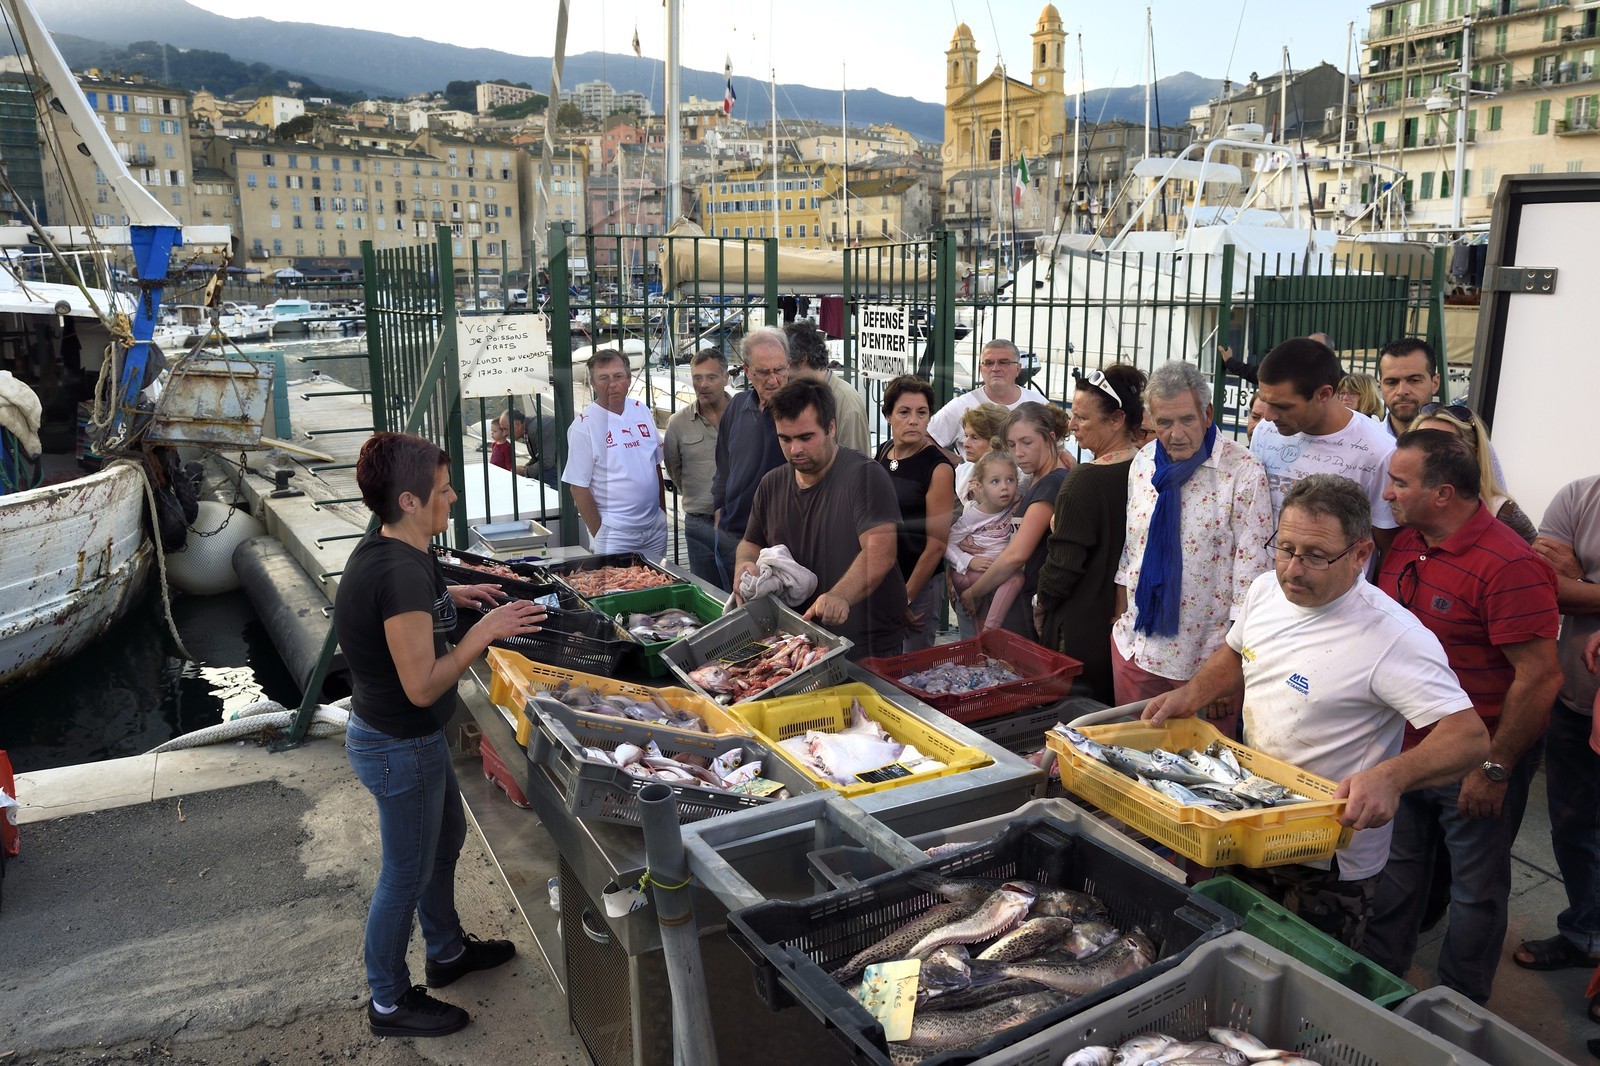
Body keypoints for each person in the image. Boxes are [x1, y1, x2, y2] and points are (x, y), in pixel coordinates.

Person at [1145, 474, 1491, 949]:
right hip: (1247, 816)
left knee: (1299, 977)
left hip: (1327, 852)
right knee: (1224, 947)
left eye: (1315, 555)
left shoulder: (1394, 638)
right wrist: (1192, 694)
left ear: (1360, 555)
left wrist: (1391, 777)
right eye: (1285, 548)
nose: (1293, 569)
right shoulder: (1267, 590)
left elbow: (1469, 736)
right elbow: (1235, 653)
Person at [335, 433, 547, 1037]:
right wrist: (484, 632)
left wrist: (455, 595)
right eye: (444, 490)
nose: (452, 498)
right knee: (404, 872)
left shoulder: (404, 547)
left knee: (444, 840)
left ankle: (448, 951)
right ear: (408, 499)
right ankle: (389, 1001)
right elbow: (423, 685)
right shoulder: (398, 571)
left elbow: (409, 604)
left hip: (408, 744)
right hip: (397, 746)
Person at [1362, 429, 1561, 1003]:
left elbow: (1541, 676)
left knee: (1475, 889)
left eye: (1401, 482)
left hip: (1477, 758)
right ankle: (1377, 986)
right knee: (1398, 873)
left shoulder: (1509, 565)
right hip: (1406, 752)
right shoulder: (1406, 542)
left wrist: (1495, 767)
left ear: (1444, 492)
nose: (1388, 493)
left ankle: (1458, 1008)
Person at [1110, 361, 1273, 728]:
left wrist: (1227, 675)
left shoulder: (1242, 471)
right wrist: (1120, 624)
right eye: (1164, 423)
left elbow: (1252, 580)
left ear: (1207, 413)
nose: (1176, 433)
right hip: (1135, 648)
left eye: (1186, 419)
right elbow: (1132, 550)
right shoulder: (1143, 462)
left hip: (1203, 665)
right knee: (1131, 764)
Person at [735, 379, 906, 659]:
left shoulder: (865, 477)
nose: (795, 450)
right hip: (801, 639)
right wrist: (743, 564)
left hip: (866, 644)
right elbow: (751, 541)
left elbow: (880, 551)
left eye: (806, 437)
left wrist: (840, 595)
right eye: (785, 439)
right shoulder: (771, 483)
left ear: (831, 428)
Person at [1513, 474, 1600, 981]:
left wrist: (1585, 582)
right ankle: (1585, 934)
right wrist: (1574, 586)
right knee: (1574, 827)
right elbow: (1548, 588)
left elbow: (1571, 588)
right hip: (1576, 696)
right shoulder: (1580, 496)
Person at [1026, 367, 1145, 699]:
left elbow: (1063, 565)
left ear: (1116, 419)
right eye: (1071, 415)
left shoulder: (1083, 481)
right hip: (1127, 632)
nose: (1072, 425)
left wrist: (1041, 602)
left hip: (1081, 633)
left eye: (1082, 417)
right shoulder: (1147, 469)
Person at [1250, 337, 1398, 556]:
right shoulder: (1265, 430)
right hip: (1262, 586)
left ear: (1324, 394)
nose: (1269, 416)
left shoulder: (1380, 451)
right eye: (1266, 401)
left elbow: (1388, 546)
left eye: (1283, 406)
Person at [875, 376, 955, 652]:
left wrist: (905, 599)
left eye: (922, 413)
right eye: (904, 412)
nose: (914, 420)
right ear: (888, 416)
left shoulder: (938, 468)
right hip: (883, 580)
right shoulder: (885, 452)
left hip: (918, 587)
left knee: (910, 670)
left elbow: (936, 546)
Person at [562, 350, 667, 558]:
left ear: (628, 379)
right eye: (603, 378)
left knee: (656, 587)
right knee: (618, 589)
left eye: (618, 376)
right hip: (616, 534)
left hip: (654, 528)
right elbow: (577, 487)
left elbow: (654, 464)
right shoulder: (584, 426)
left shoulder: (642, 410)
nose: (612, 384)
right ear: (592, 383)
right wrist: (600, 533)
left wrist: (661, 514)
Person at [711, 327, 791, 589]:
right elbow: (723, 464)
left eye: (779, 370)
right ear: (746, 371)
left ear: (788, 366)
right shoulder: (737, 405)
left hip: (776, 542)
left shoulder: (798, 411)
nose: (773, 380)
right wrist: (719, 509)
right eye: (763, 372)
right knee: (731, 611)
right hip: (731, 533)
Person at [1410, 402, 1537, 543]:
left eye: (1442, 446)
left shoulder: (1502, 513)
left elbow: (1538, 561)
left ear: (1472, 454)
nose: (1428, 455)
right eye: (1419, 444)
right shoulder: (1402, 507)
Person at [663, 349, 730, 585]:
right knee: (706, 591)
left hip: (740, 521)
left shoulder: (746, 416)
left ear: (726, 377)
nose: (703, 384)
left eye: (711, 377)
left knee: (745, 592)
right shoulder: (678, 423)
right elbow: (674, 468)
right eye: (697, 377)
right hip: (699, 522)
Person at [926, 338, 1048, 460]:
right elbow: (925, 437)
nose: (995, 368)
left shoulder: (1038, 403)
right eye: (989, 363)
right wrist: (954, 461)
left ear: (1018, 369)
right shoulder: (961, 405)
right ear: (981, 369)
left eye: (1003, 362)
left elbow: (1056, 445)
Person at [946, 450, 1024, 633]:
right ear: (980, 487)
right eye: (995, 481)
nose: (1005, 487)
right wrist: (969, 560)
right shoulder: (973, 516)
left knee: (1014, 578)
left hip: (993, 573)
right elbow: (948, 544)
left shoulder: (1015, 504)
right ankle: (989, 629)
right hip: (970, 573)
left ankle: (988, 631)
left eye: (1010, 480)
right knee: (1016, 577)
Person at [785, 318, 870, 455]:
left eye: (785, 363)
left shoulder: (846, 401)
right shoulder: (798, 393)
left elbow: (856, 465)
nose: (782, 370)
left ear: (802, 360)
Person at [1377, 338, 1440, 438]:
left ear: (1435, 383)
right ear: (1381, 385)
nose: (1402, 391)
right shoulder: (1364, 443)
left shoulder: (1460, 446)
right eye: (1392, 382)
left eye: (1414, 380)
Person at [954, 402, 1010, 504]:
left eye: (975, 438)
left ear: (996, 441)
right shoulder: (959, 473)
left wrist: (984, 500)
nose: (965, 444)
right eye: (966, 435)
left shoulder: (1016, 477)